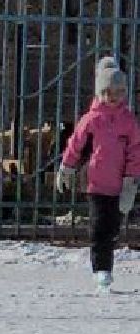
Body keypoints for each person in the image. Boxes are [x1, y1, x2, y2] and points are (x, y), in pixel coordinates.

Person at [56, 55, 140, 292]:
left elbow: (135, 152)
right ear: (100, 93)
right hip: (95, 183)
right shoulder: (91, 120)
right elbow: (76, 144)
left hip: (118, 185)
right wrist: (67, 166)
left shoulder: (129, 122)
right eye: (109, 93)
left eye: (119, 92)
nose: (114, 98)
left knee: (112, 228)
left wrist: (130, 182)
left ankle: (106, 265)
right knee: (98, 227)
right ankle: (101, 270)